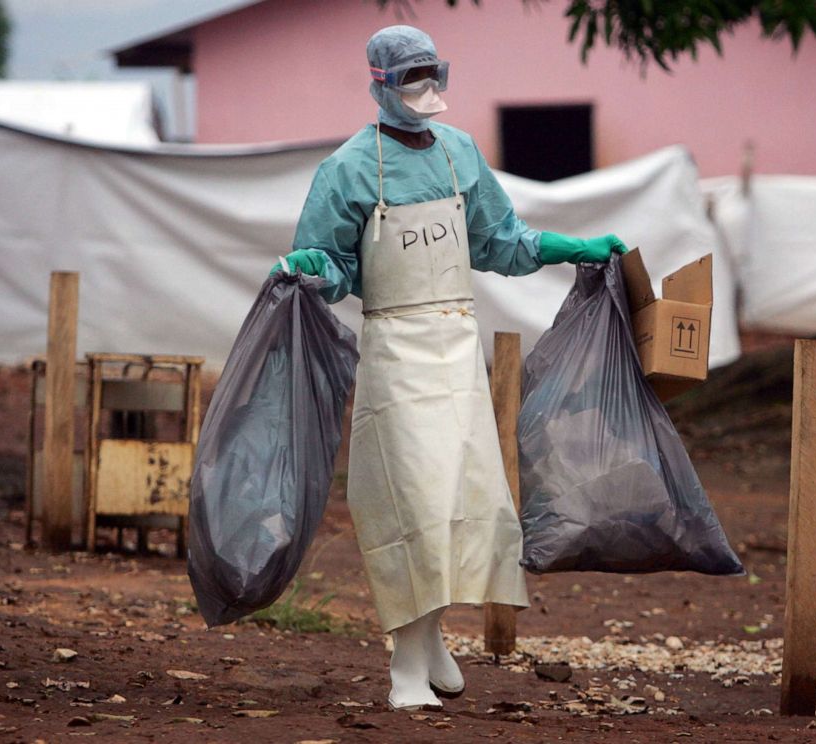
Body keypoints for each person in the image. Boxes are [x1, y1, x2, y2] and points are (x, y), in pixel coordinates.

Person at [270, 24, 627, 711]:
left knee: (461, 498)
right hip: (396, 352)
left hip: (455, 347)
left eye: (432, 72)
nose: (424, 87)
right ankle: (404, 660)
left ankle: (431, 638)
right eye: (409, 76)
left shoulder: (460, 151)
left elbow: (502, 242)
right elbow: (333, 267)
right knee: (409, 498)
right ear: (379, 82)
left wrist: (571, 246)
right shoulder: (348, 168)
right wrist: (316, 266)